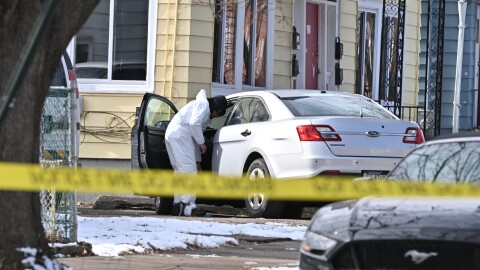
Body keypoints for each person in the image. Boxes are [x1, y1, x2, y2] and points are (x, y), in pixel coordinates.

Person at [165, 89, 227, 217]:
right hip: (181, 135)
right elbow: (193, 125)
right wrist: (202, 142)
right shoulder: (203, 106)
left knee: (180, 171)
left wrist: (197, 161)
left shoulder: (200, 107)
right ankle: (189, 206)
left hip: (173, 134)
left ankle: (177, 205)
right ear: (214, 106)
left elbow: (193, 137)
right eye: (217, 112)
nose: (216, 115)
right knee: (189, 171)